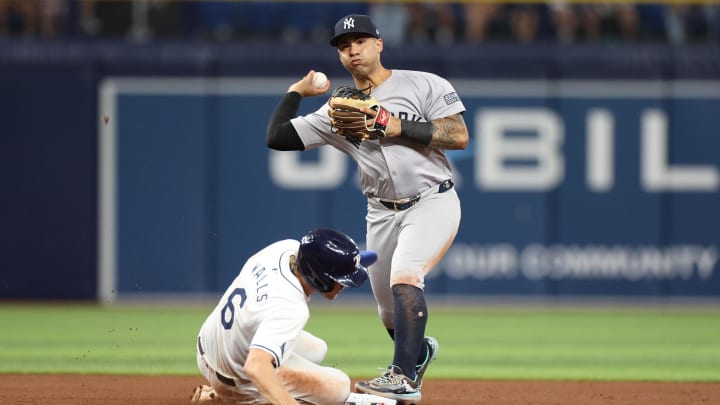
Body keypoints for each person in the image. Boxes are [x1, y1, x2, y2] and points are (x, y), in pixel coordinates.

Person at [265, 14, 469, 403]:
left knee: (406, 278)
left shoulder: (424, 83)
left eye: (359, 41)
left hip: (432, 199)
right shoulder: (337, 110)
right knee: (388, 314)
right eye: (344, 46)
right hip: (381, 212)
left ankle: (403, 377)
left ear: (379, 44)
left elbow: (458, 135)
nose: (352, 49)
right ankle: (418, 353)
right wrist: (296, 91)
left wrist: (398, 126)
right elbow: (278, 137)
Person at [191, 228, 393, 405]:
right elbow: (256, 366)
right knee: (339, 387)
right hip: (234, 379)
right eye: (340, 279)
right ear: (320, 278)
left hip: (209, 345)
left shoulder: (284, 249)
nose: (343, 286)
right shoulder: (290, 308)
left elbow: (319, 261)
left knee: (317, 349)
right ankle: (235, 398)